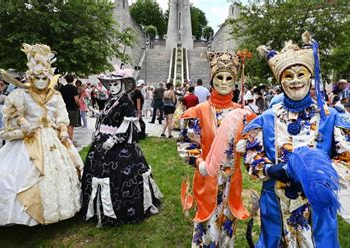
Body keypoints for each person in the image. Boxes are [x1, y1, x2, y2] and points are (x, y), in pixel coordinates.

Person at [237, 32, 350, 247]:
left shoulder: (329, 117)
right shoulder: (267, 118)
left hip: (316, 208)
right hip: (275, 205)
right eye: (288, 76)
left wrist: (315, 175)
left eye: (301, 74)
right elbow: (252, 155)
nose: (296, 81)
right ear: (280, 81)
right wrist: (270, 170)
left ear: (310, 77)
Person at [0, 43, 83, 225]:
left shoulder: (55, 95)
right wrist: (23, 124)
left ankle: (59, 211)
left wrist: (63, 129)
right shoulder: (21, 94)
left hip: (52, 138)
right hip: (27, 140)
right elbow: (10, 119)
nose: (40, 81)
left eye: (44, 77)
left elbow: (61, 115)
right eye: (37, 77)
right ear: (30, 76)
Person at [178, 52, 254, 247]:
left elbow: (255, 143)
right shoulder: (199, 111)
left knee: (228, 222)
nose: (223, 82)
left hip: (232, 180)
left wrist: (247, 146)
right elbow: (187, 142)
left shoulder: (243, 113)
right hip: (208, 177)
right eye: (219, 77)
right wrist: (198, 161)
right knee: (208, 225)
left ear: (235, 81)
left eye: (229, 78)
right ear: (212, 80)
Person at [81, 67, 162, 227]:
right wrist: (97, 115)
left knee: (120, 177)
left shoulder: (126, 102)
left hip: (119, 147)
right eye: (109, 85)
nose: (111, 88)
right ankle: (98, 208)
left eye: (115, 84)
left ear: (123, 84)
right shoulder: (112, 100)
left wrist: (114, 139)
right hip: (101, 142)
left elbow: (129, 126)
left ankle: (120, 210)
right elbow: (108, 116)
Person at [59, 74, 81, 141]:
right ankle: (70, 141)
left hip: (64, 108)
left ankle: (65, 139)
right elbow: (76, 99)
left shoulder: (63, 88)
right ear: (73, 79)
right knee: (71, 126)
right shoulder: (74, 88)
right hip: (72, 108)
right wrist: (79, 105)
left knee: (66, 125)